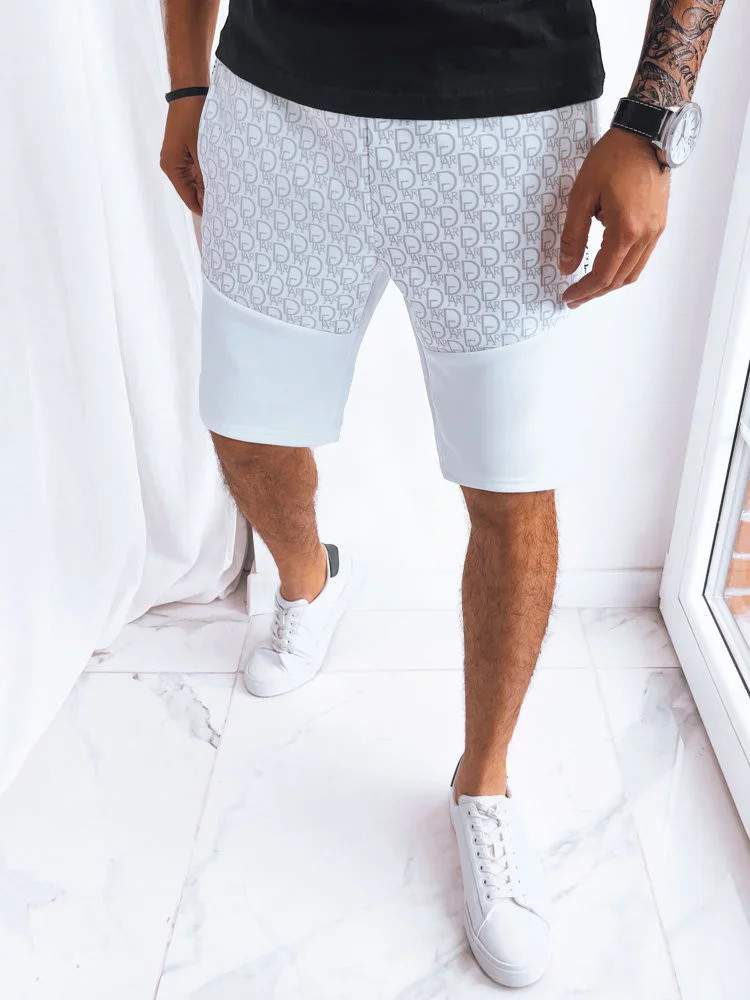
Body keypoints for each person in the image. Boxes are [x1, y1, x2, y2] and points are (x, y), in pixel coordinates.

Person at [160, 0, 725, 987]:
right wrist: (185, 85)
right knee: (246, 426)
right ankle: (310, 581)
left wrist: (652, 119)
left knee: (511, 482)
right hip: (276, 106)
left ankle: (485, 785)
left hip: (509, 127)